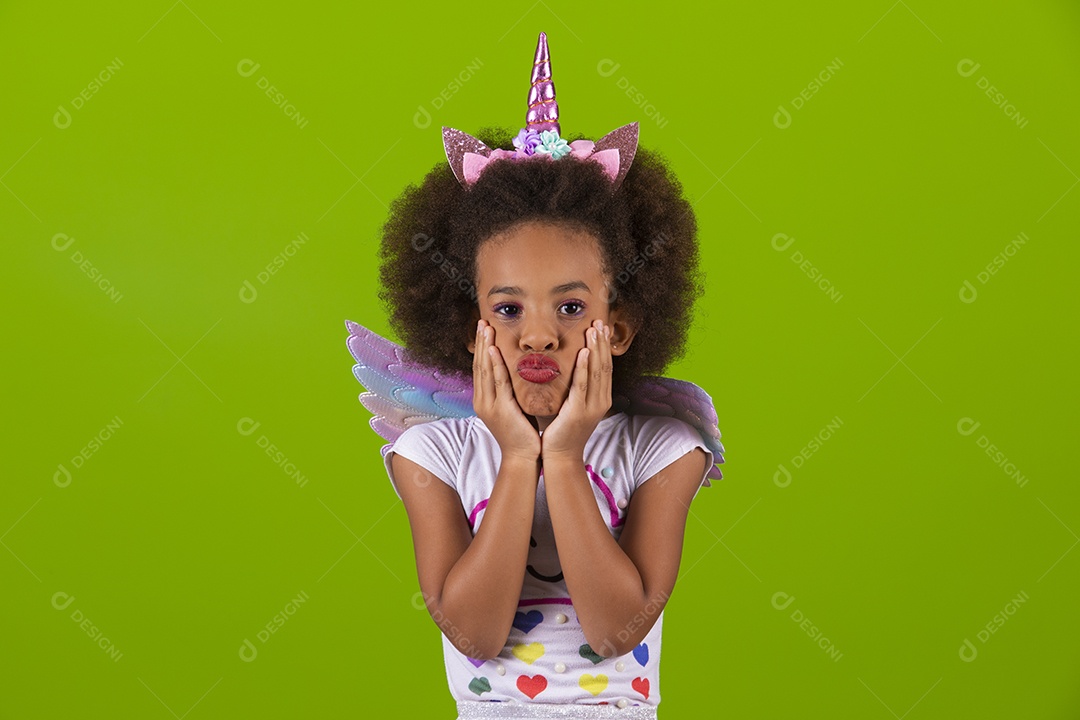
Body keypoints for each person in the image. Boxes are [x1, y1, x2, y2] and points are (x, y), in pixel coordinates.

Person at [346, 31, 726, 720]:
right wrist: (519, 459)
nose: (541, 333)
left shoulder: (665, 450)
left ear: (623, 326)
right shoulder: (431, 454)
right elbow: (473, 634)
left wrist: (567, 455)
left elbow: (617, 629)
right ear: (470, 328)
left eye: (573, 306)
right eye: (508, 307)